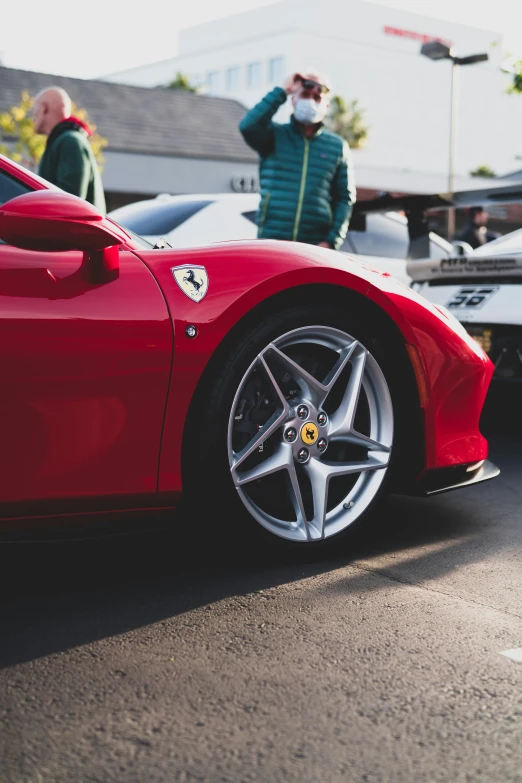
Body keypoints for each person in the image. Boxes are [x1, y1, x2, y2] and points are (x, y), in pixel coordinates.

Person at [239, 70, 356, 249]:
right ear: (294, 100)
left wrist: (331, 241)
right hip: (271, 243)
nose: (310, 101)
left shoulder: (337, 146)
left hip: (314, 248)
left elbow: (344, 199)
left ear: (326, 105)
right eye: (305, 94)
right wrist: (282, 91)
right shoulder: (274, 135)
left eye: (317, 97)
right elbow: (248, 126)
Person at [33, 86, 106, 213]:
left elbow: (68, 203)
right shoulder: (65, 140)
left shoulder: (70, 142)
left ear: (44, 108)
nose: (33, 117)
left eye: (34, 111)